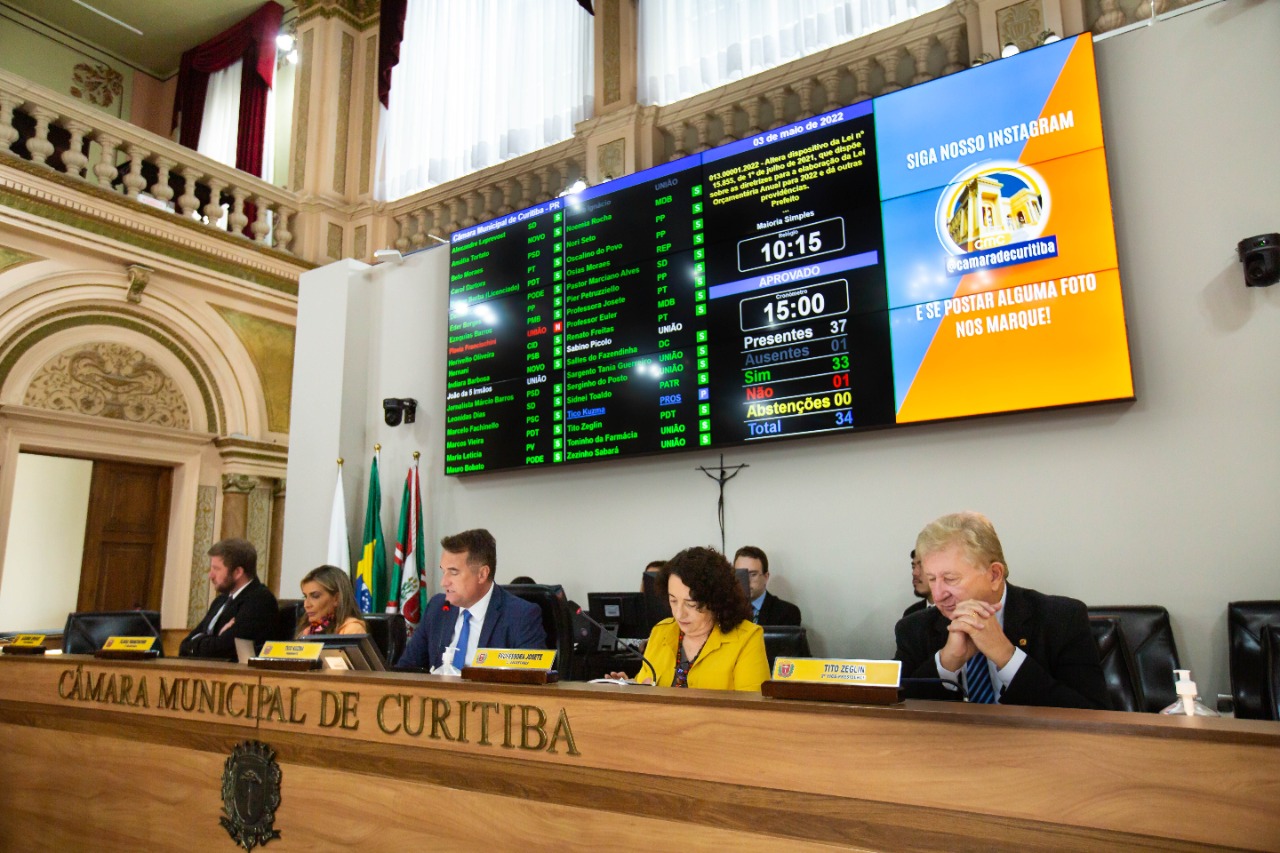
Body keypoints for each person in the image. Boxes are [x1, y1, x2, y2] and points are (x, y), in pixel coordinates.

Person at [893, 512, 1108, 709]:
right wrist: (946, 663)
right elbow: (892, 708)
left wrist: (1006, 656)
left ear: (994, 575)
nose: (938, 595)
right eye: (932, 579)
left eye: (950, 579)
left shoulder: (1062, 618)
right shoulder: (914, 629)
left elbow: (1093, 713)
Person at [614, 546, 769, 691]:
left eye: (691, 604)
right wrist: (630, 687)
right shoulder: (661, 632)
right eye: (673, 600)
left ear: (715, 600)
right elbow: (646, 684)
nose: (679, 614)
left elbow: (752, 707)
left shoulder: (747, 638)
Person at [396, 528, 546, 671]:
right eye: (443, 572)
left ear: (482, 574)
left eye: (453, 572)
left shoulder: (520, 616)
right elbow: (406, 669)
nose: (444, 582)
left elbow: (530, 680)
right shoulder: (437, 608)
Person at [179, 538, 279, 660]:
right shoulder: (221, 600)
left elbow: (222, 650)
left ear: (238, 572)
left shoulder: (259, 601)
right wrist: (215, 639)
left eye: (216, 569)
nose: (211, 575)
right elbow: (184, 646)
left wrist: (201, 642)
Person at [733, 545, 801, 626]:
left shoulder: (787, 613)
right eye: (741, 574)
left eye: (753, 574)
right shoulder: (724, 611)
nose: (746, 580)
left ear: (766, 577)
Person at [296, 565, 367, 637]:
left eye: (315, 596)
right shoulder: (307, 630)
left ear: (337, 599)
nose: (306, 605)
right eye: (305, 596)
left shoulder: (352, 629)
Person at [902, 548, 933, 617]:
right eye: (913, 567)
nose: (914, 573)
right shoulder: (911, 613)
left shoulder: (955, 614)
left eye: (921, 566)